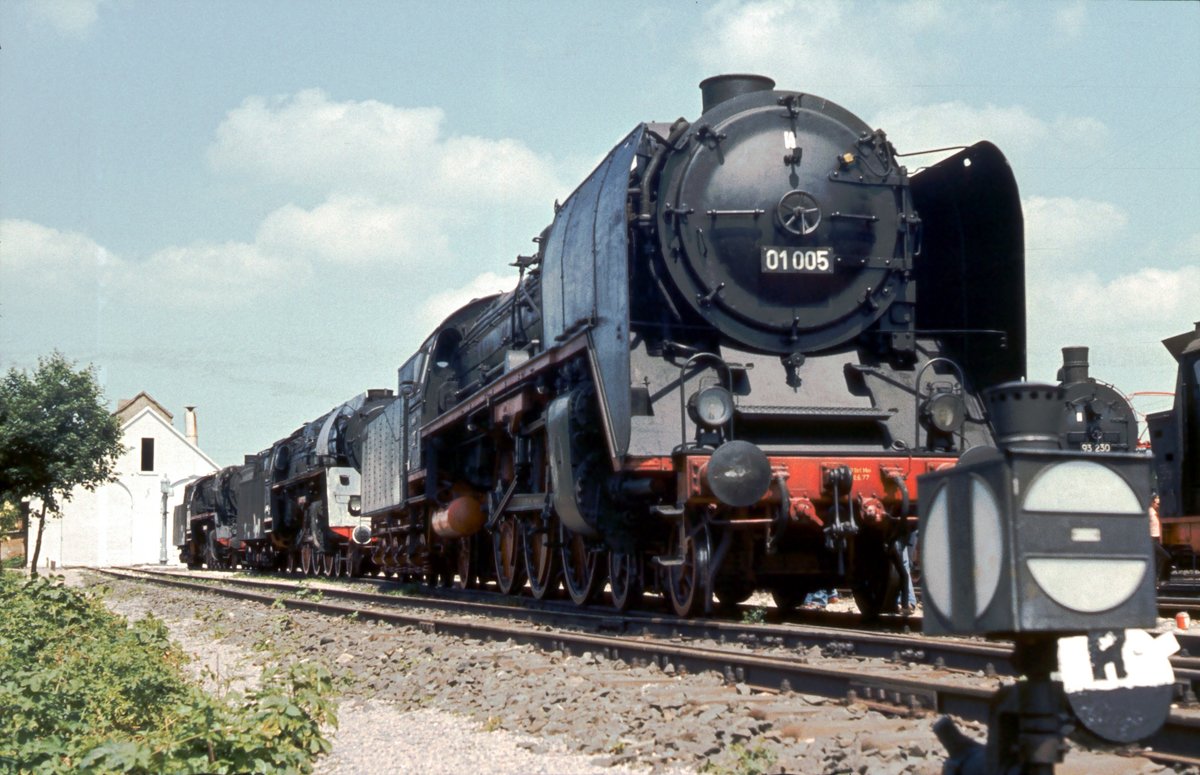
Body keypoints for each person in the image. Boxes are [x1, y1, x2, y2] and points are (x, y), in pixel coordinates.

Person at [1150, 493, 1172, 585]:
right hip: (1151, 540)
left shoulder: (1157, 513)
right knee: (1166, 557)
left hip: (1157, 539)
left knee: (1156, 562)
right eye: (1157, 503)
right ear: (1152, 503)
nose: (1158, 505)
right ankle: (1163, 579)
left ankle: (1154, 583)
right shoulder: (1150, 513)